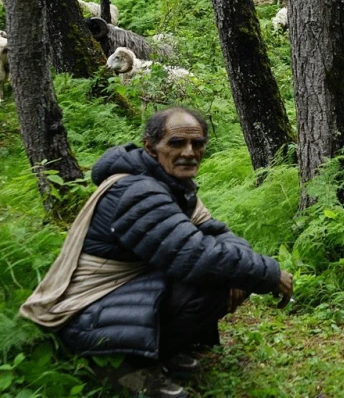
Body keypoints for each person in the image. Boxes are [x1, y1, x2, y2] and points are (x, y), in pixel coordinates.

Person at [20, 106, 293, 398]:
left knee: (228, 273)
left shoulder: (172, 184)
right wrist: (268, 273)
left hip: (117, 297)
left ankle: (159, 350)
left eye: (197, 143)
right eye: (176, 143)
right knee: (213, 279)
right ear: (151, 147)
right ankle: (123, 366)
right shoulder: (138, 191)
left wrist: (248, 271)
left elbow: (216, 232)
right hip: (82, 313)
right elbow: (194, 254)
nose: (189, 151)